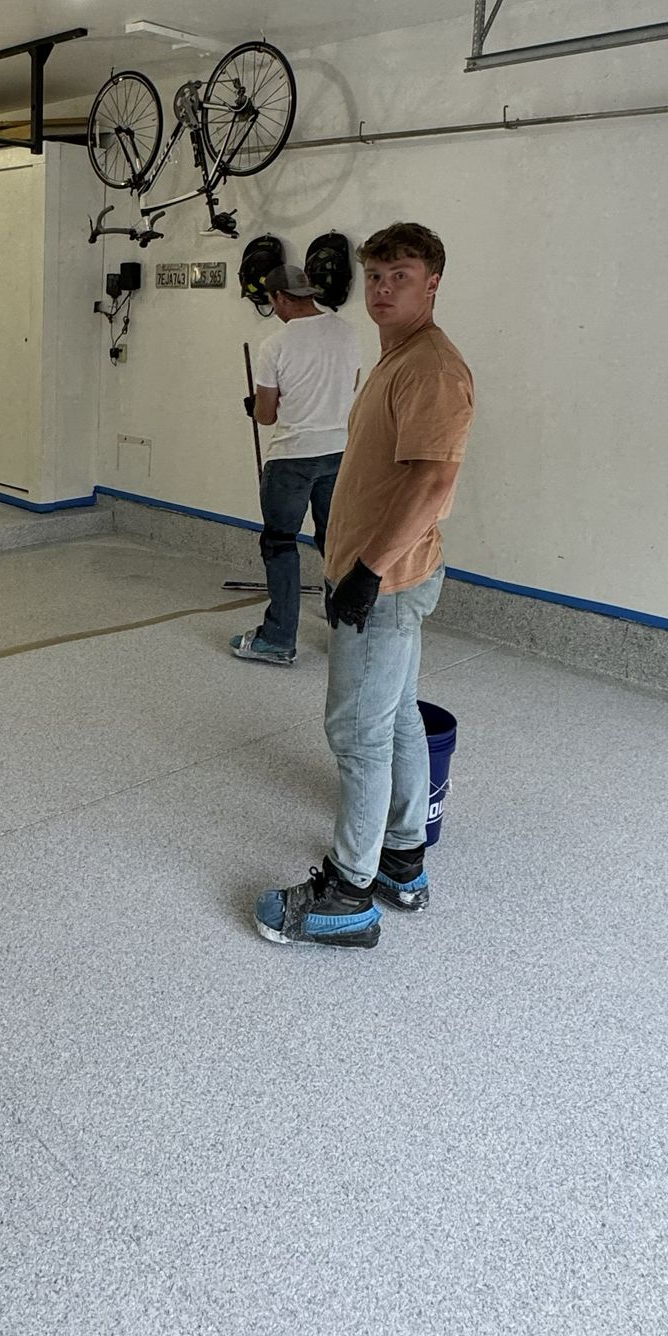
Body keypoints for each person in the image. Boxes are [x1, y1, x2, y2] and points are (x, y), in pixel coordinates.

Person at [256, 221, 474, 949]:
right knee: (396, 714)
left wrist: (369, 570)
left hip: (384, 582)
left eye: (400, 276)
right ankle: (403, 859)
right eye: (375, 276)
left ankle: (349, 892)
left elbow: (435, 479)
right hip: (383, 575)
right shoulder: (397, 357)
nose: (383, 289)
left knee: (356, 733)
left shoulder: (431, 367)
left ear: (432, 283)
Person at [231, 264, 362, 669]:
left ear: (280, 298)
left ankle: (277, 639)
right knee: (335, 544)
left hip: (291, 457)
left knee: (280, 543)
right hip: (340, 452)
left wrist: (254, 407)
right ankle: (347, 640)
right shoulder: (347, 332)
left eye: (273, 301)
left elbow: (268, 416)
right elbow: (352, 388)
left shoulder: (275, 345)